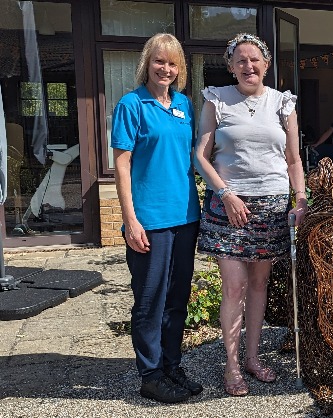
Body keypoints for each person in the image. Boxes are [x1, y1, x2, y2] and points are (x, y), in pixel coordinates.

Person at [194, 33, 308, 397]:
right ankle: (231, 366)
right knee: (234, 286)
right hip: (229, 207)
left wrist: (301, 198)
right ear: (231, 67)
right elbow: (201, 156)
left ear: (266, 64)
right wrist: (225, 193)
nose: (248, 66)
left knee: (259, 286)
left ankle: (253, 358)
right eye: (240, 60)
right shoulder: (217, 99)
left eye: (254, 59)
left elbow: (293, 160)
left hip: (271, 206)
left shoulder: (282, 103)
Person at [111, 33, 202, 403]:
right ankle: (149, 375)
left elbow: (195, 157)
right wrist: (131, 220)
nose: (165, 69)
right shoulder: (131, 105)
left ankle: (171, 365)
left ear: (179, 69)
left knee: (178, 298)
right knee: (150, 300)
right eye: (159, 61)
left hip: (185, 216)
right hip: (149, 219)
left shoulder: (184, 105)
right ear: (147, 64)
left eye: (172, 63)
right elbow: (121, 165)